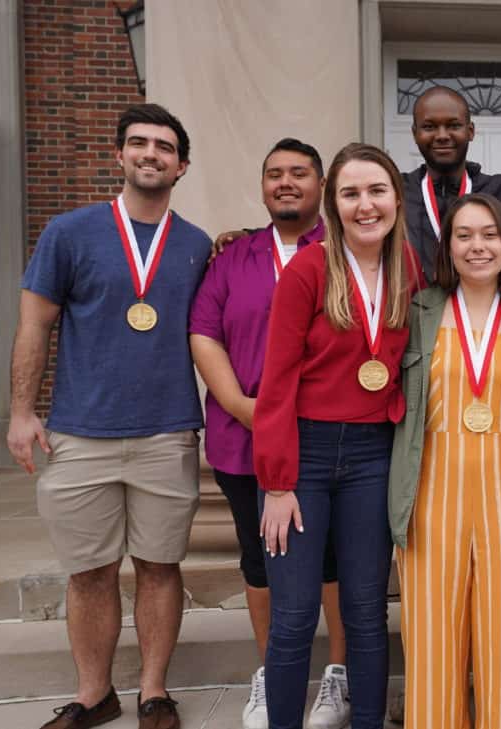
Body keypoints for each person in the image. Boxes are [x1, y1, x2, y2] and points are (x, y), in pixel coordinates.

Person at [7, 103, 211, 729]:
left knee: (159, 565)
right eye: (139, 144)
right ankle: (94, 695)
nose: (151, 154)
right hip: (80, 432)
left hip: (166, 431)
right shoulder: (69, 233)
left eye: (165, 147)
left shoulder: (199, 245)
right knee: (90, 571)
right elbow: (33, 326)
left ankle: (154, 692)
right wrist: (20, 412)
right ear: (119, 155)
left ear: (182, 164)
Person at [253, 143, 423, 729]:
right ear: (333, 203)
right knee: (296, 615)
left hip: (375, 456)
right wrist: (276, 482)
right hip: (305, 456)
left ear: (396, 201)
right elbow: (274, 381)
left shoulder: (411, 270)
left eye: (377, 191)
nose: (365, 204)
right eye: (350, 193)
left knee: (366, 612)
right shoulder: (308, 268)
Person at [189, 138, 352, 729]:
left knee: (331, 558)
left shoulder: (343, 251)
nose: (286, 182)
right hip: (245, 437)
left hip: (328, 437)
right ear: (263, 187)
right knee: (262, 557)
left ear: (322, 184)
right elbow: (204, 331)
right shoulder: (234, 257)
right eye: (274, 174)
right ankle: (272, 673)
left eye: (300, 173)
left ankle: (337, 678)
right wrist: (239, 403)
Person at [389, 193, 501, 729]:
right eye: (464, 235)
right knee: (432, 649)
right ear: (447, 246)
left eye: (489, 234)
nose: (477, 246)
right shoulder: (415, 312)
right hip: (432, 499)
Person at [402, 85, 501, 283]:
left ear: (471, 131)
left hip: (485, 310)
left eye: (453, 125)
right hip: (414, 311)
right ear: (415, 133)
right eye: (429, 127)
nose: (442, 135)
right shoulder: (397, 191)